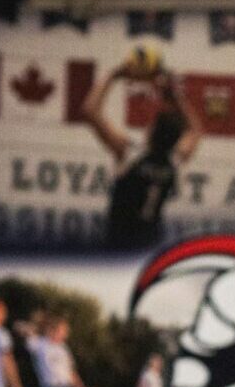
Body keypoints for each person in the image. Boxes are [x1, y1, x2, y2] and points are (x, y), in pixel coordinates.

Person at [79, 58, 204, 250]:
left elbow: (89, 111)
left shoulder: (129, 152)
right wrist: (175, 96)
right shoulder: (175, 159)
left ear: (151, 132)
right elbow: (195, 130)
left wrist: (114, 75)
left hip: (118, 243)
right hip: (149, 245)